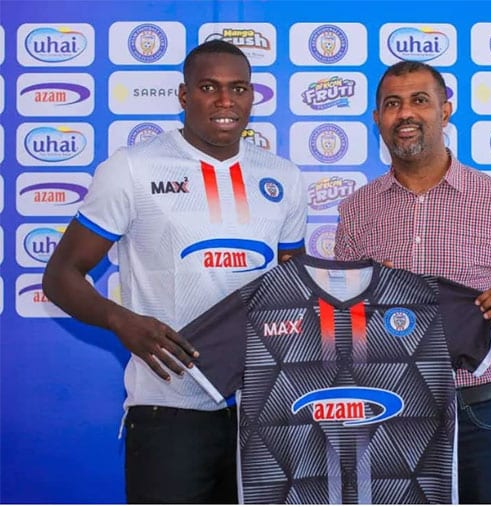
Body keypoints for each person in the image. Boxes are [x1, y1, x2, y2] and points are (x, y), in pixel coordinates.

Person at [42, 39, 307, 504]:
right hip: (168, 410)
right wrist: (120, 320)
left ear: (252, 96)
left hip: (263, 413)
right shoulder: (132, 169)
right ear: (184, 96)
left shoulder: (283, 176)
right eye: (209, 87)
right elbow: (60, 275)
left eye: (238, 88)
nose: (225, 101)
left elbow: (294, 285)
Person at [333, 60, 491, 504]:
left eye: (420, 100)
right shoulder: (358, 209)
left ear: (445, 110)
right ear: (377, 118)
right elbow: (338, 319)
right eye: (392, 104)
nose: (405, 113)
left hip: (476, 416)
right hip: (386, 415)